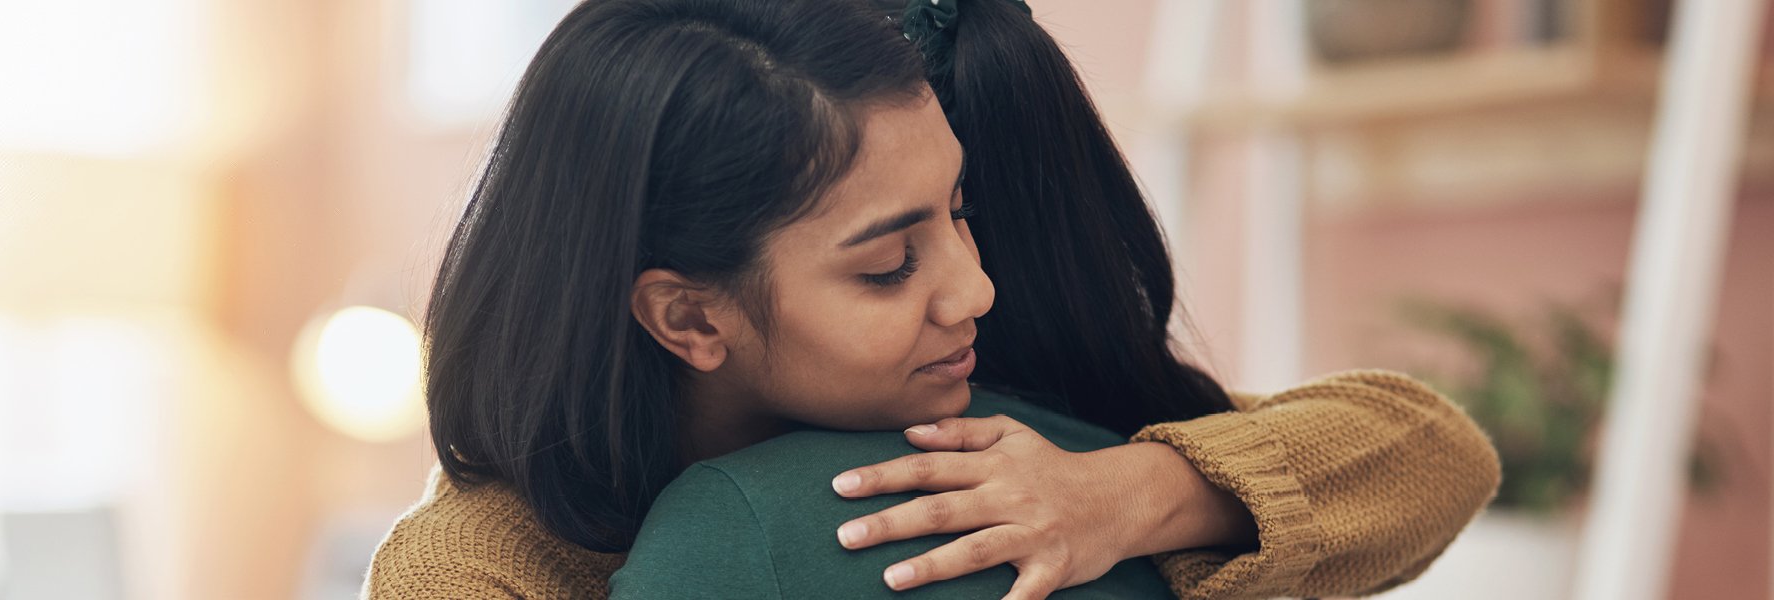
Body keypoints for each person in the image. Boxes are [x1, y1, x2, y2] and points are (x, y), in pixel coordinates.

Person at [363, 0, 1500, 598]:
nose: (976, 288)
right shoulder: (475, 571)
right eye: (886, 266)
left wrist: (1126, 497)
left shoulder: (994, 447)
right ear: (690, 318)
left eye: (958, 213)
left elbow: (1433, 454)